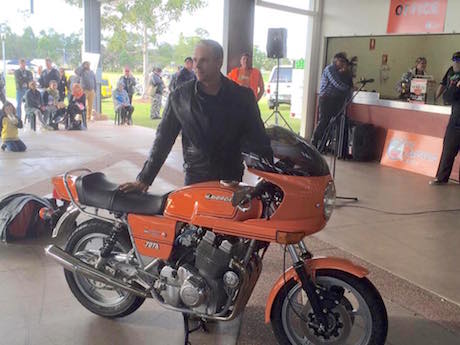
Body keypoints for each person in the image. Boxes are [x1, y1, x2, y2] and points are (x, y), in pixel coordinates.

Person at [119, 39, 273, 192]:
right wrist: (144, 179)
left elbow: (259, 139)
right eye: (195, 60)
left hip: (230, 180)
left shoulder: (242, 97)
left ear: (219, 62)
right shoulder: (179, 97)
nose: (197, 66)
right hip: (195, 178)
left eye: (204, 60)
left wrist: (270, 178)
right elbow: (163, 139)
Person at [311, 52, 353, 150]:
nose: (342, 64)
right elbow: (337, 83)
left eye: (344, 62)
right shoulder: (330, 69)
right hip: (326, 99)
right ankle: (314, 142)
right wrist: (348, 87)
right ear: (335, 60)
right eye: (341, 61)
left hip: (336, 100)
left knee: (340, 122)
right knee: (324, 121)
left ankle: (336, 148)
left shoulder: (341, 72)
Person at [429, 52, 460, 185]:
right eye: (455, 60)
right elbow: (447, 96)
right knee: (448, 149)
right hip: (456, 119)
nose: (456, 63)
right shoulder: (451, 72)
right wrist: (455, 87)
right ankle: (442, 178)